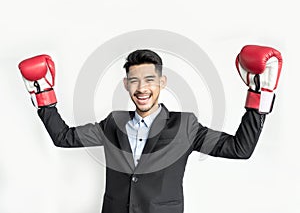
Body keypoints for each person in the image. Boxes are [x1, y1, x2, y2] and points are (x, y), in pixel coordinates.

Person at [18, 45, 282, 213]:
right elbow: (64, 138)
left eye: (149, 80)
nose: (142, 88)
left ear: (162, 82)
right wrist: (43, 94)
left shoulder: (185, 125)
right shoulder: (113, 122)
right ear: (126, 85)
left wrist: (259, 95)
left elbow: (240, 149)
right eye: (134, 81)